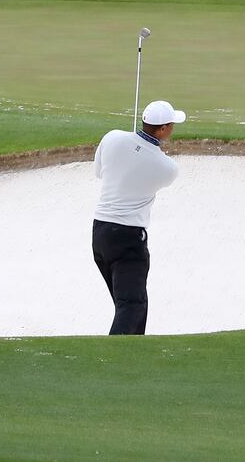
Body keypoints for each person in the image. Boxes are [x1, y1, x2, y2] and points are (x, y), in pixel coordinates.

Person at [91, 99, 185, 336]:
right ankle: (113, 359)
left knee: (131, 303)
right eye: (172, 124)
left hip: (100, 234)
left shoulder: (112, 137)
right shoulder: (167, 167)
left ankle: (135, 353)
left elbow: (99, 172)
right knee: (132, 305)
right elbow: (149, 164)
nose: (173, 128)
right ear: (163, 129)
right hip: (128, 239)